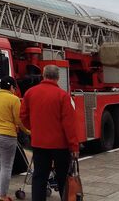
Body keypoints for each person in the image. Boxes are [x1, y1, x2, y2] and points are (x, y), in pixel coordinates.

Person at [20, 65, 79, 201]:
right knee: (63, 177)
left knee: (39, 177)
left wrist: (34, 128)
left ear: (43, 76)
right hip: (60, 145)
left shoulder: (30, 93)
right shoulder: (63, 96)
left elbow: (23, 116)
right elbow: (69, 124)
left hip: (39, 143)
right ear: (57, 78)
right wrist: (74, 146)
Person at [0, 77, 30, 201]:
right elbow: (18, 120)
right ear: (11, 87)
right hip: (6, 136)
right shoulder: (14, 99)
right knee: (6, 166)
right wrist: (27, 131)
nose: (15, 90)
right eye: (14, 88)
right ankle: (3, 196)